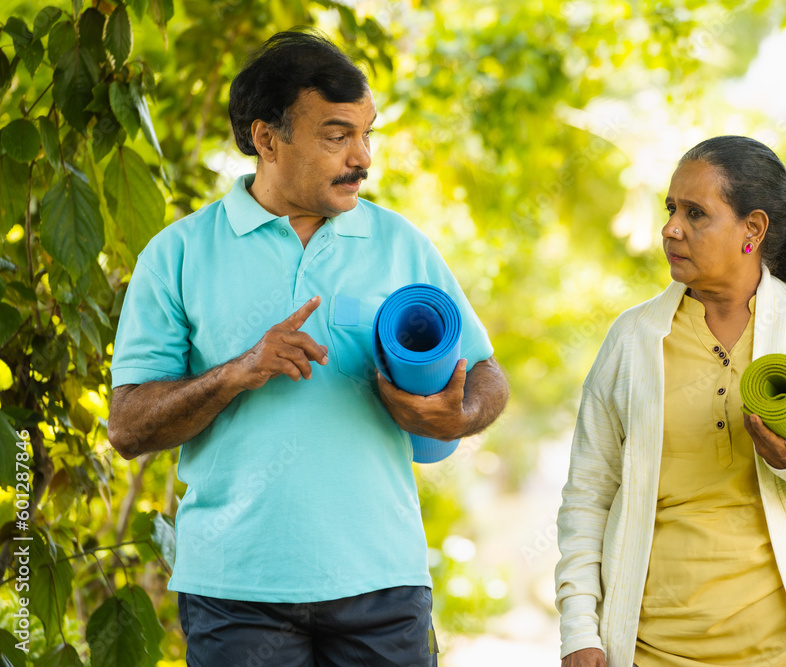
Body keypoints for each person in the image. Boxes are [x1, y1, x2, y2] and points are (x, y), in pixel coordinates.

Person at [107, 30, 508, 666]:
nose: (363, 158)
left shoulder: (399, 243)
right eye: (336, 135)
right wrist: (237, 373)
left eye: (367, 134)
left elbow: (487, 374)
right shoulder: (177, 254)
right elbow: (127, 427)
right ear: (267, 138)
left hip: (383, 581)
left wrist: (457, 415)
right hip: (234, 591)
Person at [554, 135, 786, 667]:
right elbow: (588, 495)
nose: (671, 228)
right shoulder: (633, 338)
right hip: (651, 649)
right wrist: (579, 631)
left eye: (696, 213)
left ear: (753, 229)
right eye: (671, 209)